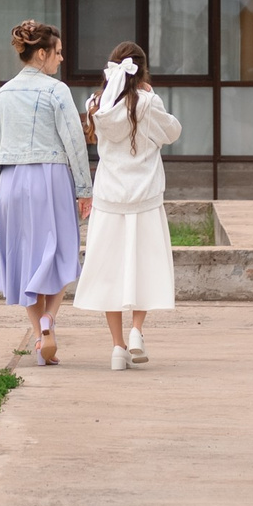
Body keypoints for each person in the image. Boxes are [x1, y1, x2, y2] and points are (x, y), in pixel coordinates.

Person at [73, 41, 181, 370]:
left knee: (109, 271)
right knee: (144, 265)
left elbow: (91, 136)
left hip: (109, 197)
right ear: (142, 70)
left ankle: (117, 348)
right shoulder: (149, 102)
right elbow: (173, 132)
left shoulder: (96, 104)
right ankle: (137, 332)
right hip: (145, 198)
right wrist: (150, 93)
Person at [0, 19, 90, 365]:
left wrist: (4, 185)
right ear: (42, 53)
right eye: (58, 53)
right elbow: (75, 143)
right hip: (50, 176)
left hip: (12, 180)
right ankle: (50, 319)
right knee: (63, 250)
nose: (60, 60)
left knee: (25, 257)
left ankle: (39, 337)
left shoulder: (4, 92)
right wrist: (84, 188)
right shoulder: (56, 90)